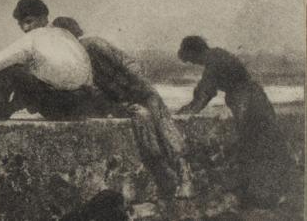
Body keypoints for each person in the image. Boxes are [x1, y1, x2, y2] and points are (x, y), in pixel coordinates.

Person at [52, 17, 193, 198]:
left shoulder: (93, 44)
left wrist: (138, 87)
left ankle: (185, 177)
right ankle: (168, 176)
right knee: (143, 121)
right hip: (122, 101)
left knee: (164, 126)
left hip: (140, 91)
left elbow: (127, 63)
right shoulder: (73, 60)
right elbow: (91, 90)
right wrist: (115, 105)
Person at [176, 36, 293, 208]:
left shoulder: (214, 60)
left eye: (192, 60)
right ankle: (271, 196)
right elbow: (206, 88)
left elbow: (206, 91)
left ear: (195, 51)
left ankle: (266, 198)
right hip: (254, 100)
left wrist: (189, 111)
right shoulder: (217, 55)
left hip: (249, 103)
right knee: (264, 146)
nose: (195, 64)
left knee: (256, 146)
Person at [0, 0, 106, 121]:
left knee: (10, 70)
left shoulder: (34, 36)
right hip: (80, 107)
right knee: (32, 76)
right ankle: (3, 111)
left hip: (55, 107)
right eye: (20, 24)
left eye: (29, 22)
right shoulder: (67, 36)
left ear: (43, 19)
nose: (25, 28)